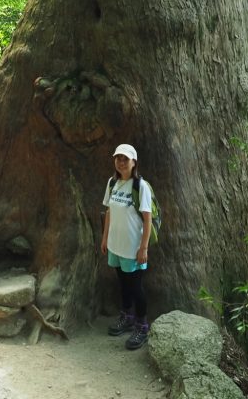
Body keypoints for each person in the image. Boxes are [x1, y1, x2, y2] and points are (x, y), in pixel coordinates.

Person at [100, 143, 152, 350]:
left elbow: (147, 219)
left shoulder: (141, 186)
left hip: (133, 247)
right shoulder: (112, 183)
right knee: (122, 284)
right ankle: (127, 316)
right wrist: (104, 239)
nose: (121, 162)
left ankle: (142, 326)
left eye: (125, 159)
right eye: (118, 158)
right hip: (115, 245)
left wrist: (144, 248)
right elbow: (109, 212)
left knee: (136, 287)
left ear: (134, 162)